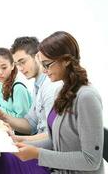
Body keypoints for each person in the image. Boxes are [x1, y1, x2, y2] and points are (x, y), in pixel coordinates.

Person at [13, 31, 104, 174]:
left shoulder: (86, 97)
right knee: (0, 156)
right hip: (57, 169)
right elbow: (54, 141)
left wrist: (37, 153)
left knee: (1, 161)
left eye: (47, 64)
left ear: (66, 60)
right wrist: (20, 143)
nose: (44, 71)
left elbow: (91, 160)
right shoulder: (61, 92)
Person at [0, 37, 62, 174]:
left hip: (47, 160)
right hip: (39, 152)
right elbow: (30, 124)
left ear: (38, 56)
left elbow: (53, 137)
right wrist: (4, 116)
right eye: (17, 64)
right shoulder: (38, 85)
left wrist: (19, 140)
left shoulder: (51, 88)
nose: (20, 68)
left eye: (23, 62)